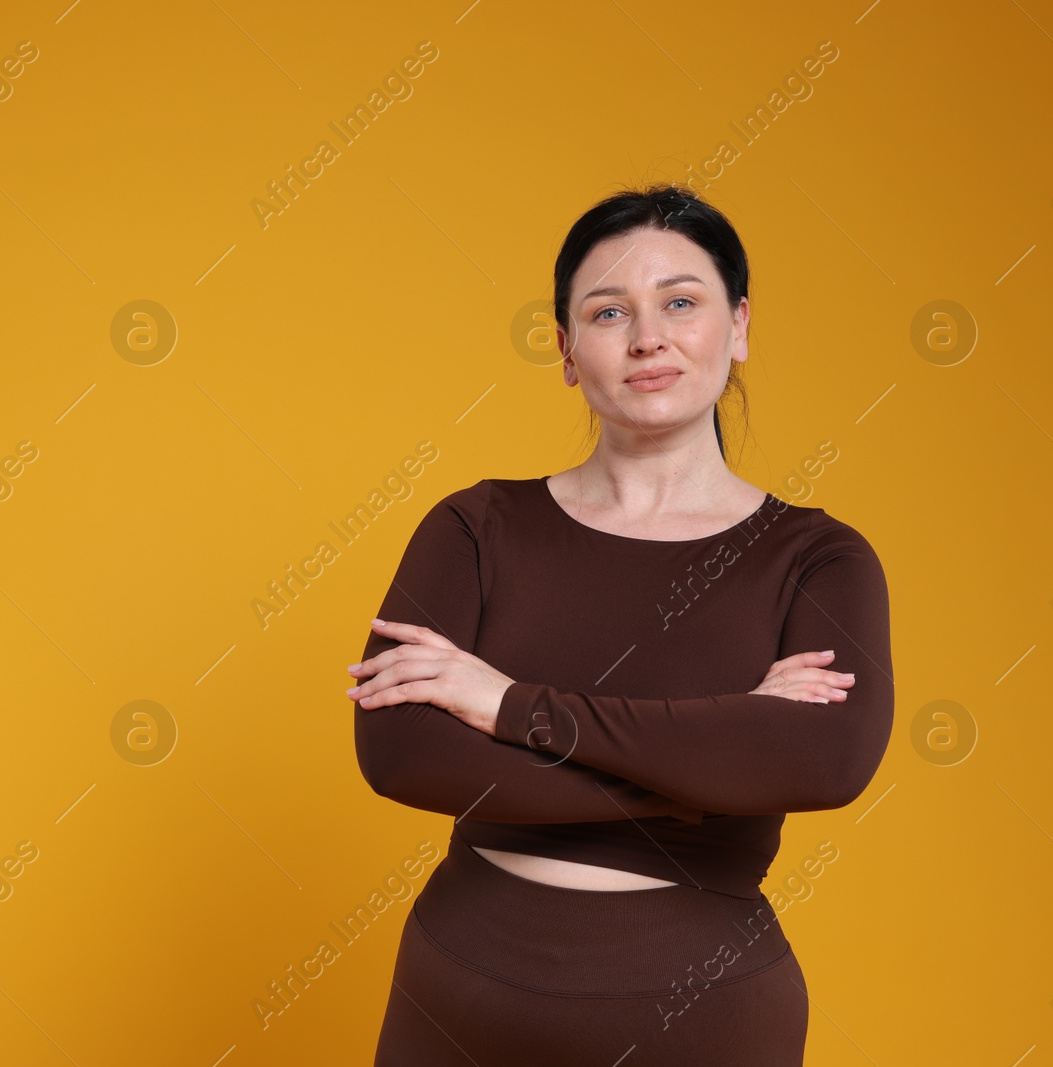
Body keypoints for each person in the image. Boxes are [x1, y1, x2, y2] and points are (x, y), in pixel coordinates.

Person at [347, 183, 894, 1065]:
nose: (648, 336)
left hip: (704, 1016)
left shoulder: (818, 557)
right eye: (609, 311)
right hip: (457, 1000)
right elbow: (401, 752)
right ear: (566, 350)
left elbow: (826, 760)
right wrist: (712, 765)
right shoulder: (475, 527)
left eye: (682, 301)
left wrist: (507, 703)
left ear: (739, 325)